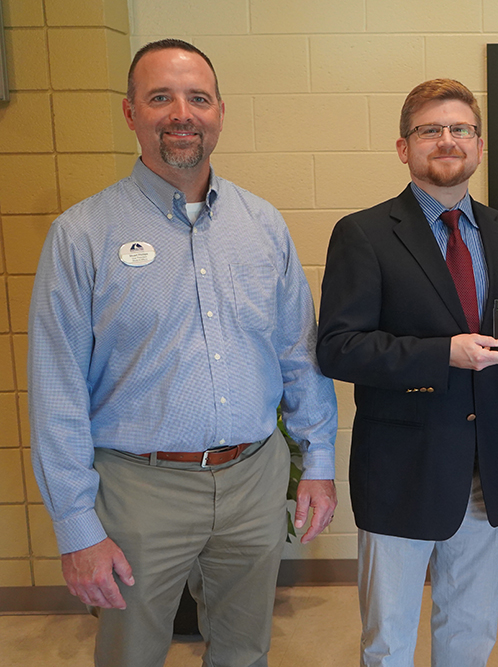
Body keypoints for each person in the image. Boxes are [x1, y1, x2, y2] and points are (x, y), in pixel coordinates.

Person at [28, 39, 338, 667]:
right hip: (139, 487)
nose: (181, 113)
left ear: (220, 112)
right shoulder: (82, 235)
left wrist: (320, 459)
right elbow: (56, 390)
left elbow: (297, 355)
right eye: (160, 97)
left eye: (198, 98)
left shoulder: (262, 225)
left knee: (245, 650)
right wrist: (77, 527)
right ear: (130, 113)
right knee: (131, 653)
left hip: (254, 476)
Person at [316, 78, 498, 667]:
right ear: (403, 147)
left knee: (471, 632)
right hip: (400, 470)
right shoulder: (362, 233)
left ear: (479, 144)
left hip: (487, 466)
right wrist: (443, 353)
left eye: (460, 129)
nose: (447, 140)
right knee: (389, 640)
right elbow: (338, 348)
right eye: (430, 130)